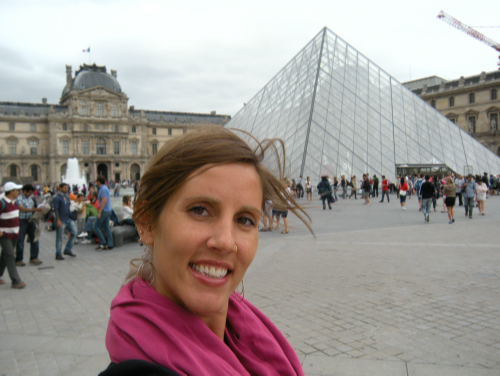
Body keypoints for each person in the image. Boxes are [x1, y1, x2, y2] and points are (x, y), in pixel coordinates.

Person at [101, 127, 309, 375]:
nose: (225, 242)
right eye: (200, 210)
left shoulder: (251, 337)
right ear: (146, 222)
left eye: (244, 220)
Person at [0, 182, 27, 288]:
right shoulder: (2, 203)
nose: (18, 192)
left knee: (5, 256)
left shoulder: (14, 202)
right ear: (11, 191)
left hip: (15, 234)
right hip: (5, 235)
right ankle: (16, 281)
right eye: (17, 190)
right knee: (10, 256)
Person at [15, 184, 43, 266]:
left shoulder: (30, 198)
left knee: (35, 238)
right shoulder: (19, 198)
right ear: (24, 191)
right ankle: (18, 259)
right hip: (21, 221)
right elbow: (22, 209)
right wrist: (36, 209)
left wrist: (38, 212)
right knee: (20, 240)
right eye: (29, 192)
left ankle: (34, 257)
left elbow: (33, 208)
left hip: (30, 220)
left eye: (31, 193)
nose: (30, 194)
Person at [53, 183, 77, 260]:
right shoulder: (57, 198)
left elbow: (68, 207)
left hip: (68, 219)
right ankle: (58, 254)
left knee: (74, 232)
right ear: (60, 188)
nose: (66, 189)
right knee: (59, 237)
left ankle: (67, 249)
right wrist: (58, 220)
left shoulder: (66, 197)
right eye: (64, 188)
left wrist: (71, 216)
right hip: (61, 220)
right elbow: (56, 209)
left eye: (67, 188)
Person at [94, 176, 114, 250]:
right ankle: (110, 244)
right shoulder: (104, 188)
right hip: (108, 210)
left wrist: (99, 212)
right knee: (106, 227)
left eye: (96, 181)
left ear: (99, 181)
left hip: (104, 211)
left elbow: (103, 201)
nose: (96, 182)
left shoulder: (103, 189)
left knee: (95, 226)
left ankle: (103, 242)